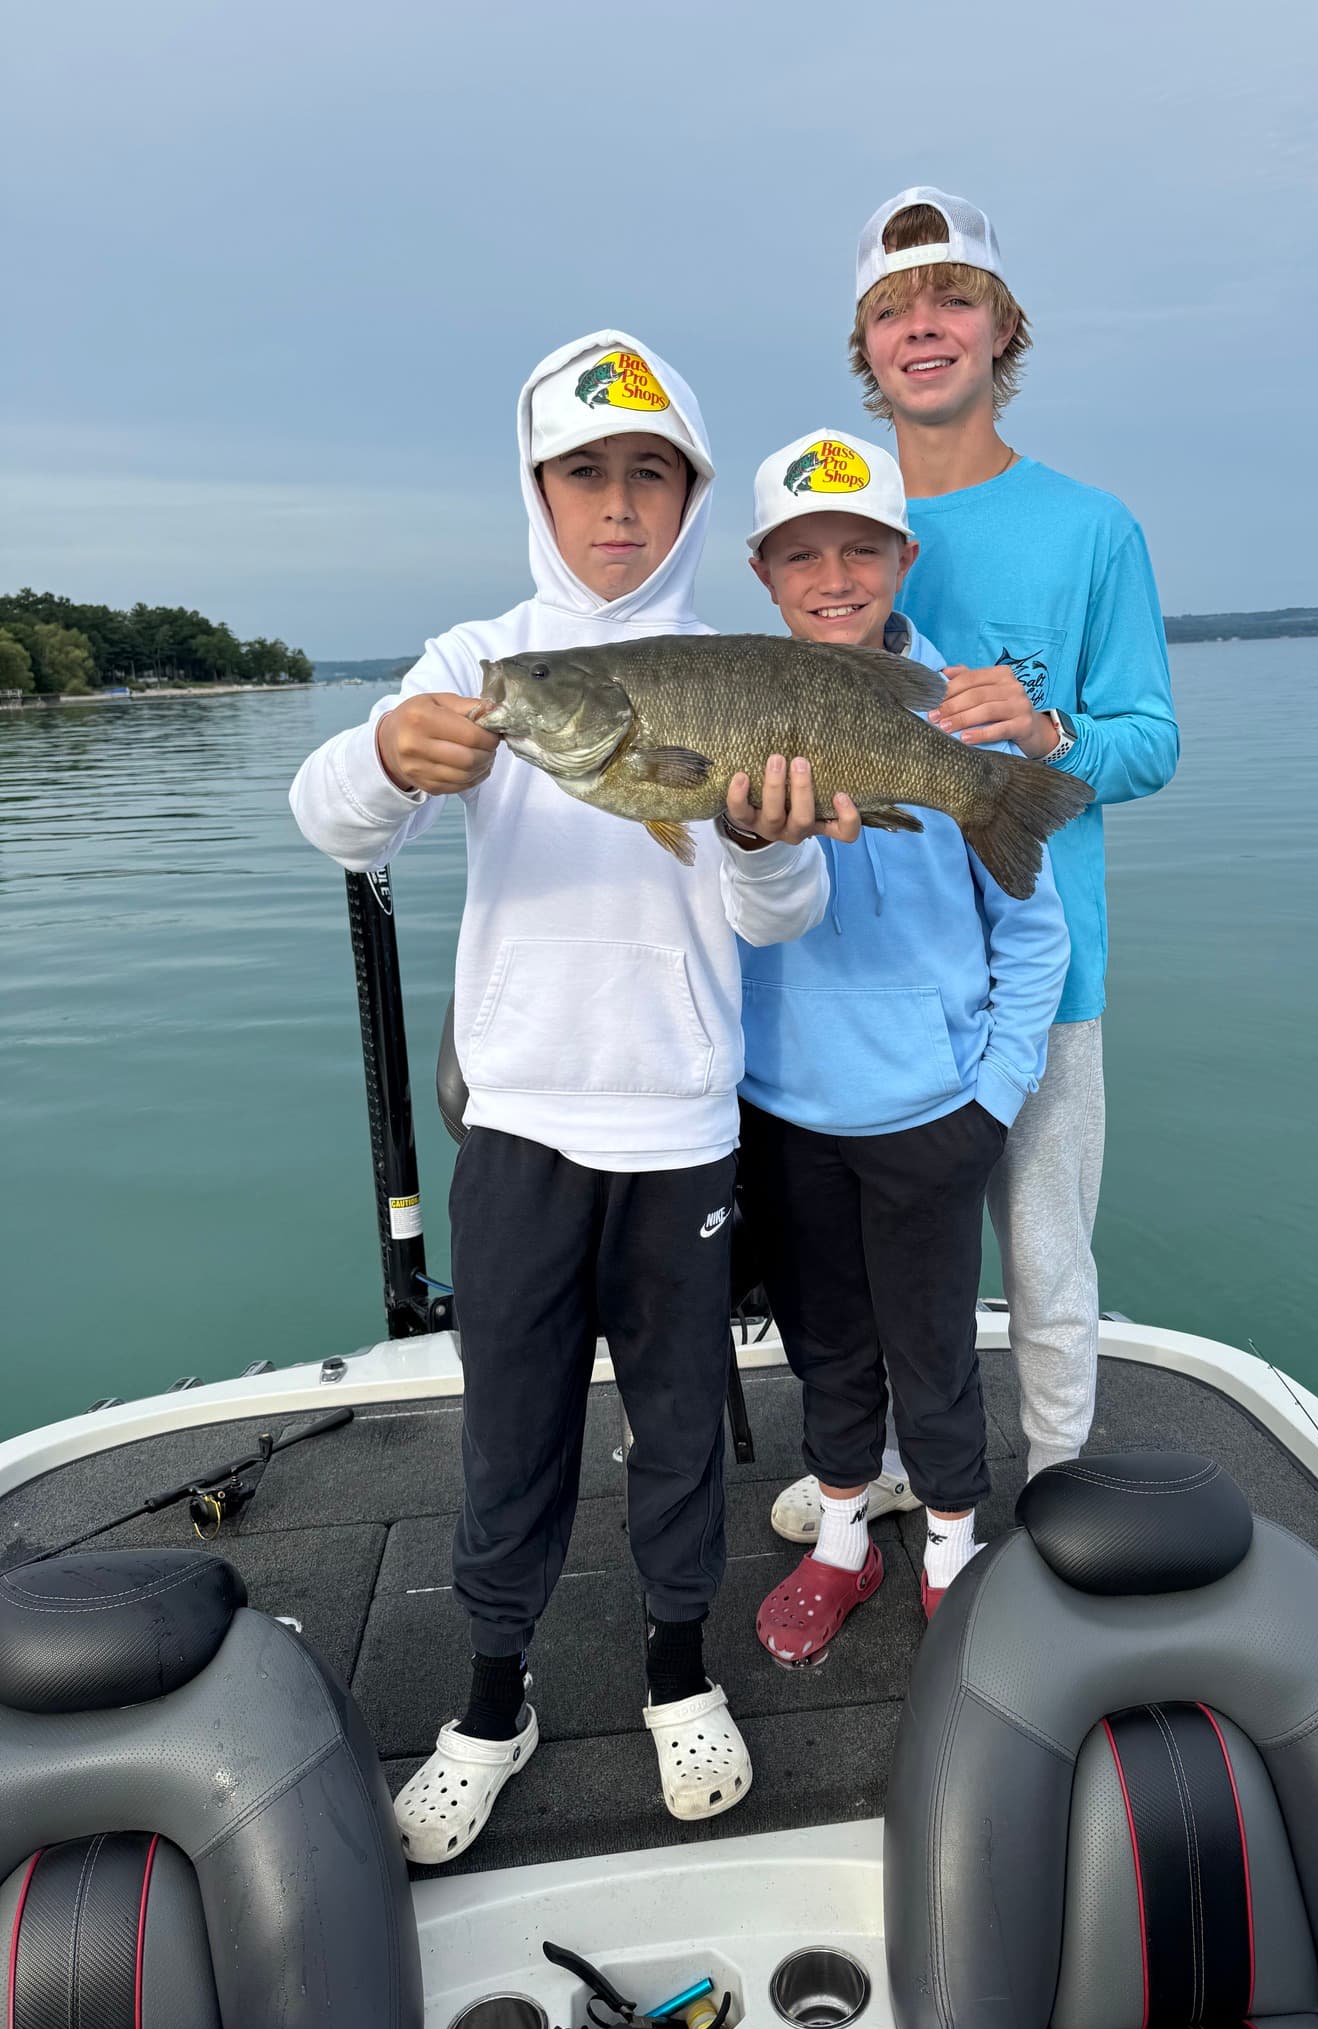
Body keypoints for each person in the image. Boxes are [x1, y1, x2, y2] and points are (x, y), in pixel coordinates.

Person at [290, 331, 859, 1859]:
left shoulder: (745, 668)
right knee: (510, 1432)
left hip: (684, 1131)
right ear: (536, 487)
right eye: (586, 473)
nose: (619, 506)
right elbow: (336, 824)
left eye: (651, 475)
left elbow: (784, 917)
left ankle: (680, 1672)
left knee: (685, 1430)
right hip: (523, 1134)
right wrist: (386, 757)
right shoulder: (482, 660)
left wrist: (764, 842)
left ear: (689, 497)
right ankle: (492, 1699)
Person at [769, 192, 1179, 1547]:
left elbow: (1153, 740)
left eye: (951, 302)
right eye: (894, 308)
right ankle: (881, 1464)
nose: (923, 328)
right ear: (864, 345)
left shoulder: (1092, 528)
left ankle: (1058, 1485)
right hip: (861, 990)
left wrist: (1050, 728)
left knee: (1046, 1254)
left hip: (1040, 966)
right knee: (881, 1272)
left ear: (1004, 329)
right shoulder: (840, 528)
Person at [737, 428, 1070, 1655]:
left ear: (904, 557)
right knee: (824, 1343)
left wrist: (992, 1095)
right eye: (803, 552)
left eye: (862, 548)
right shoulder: (732, 703)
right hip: (784, 1109)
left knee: (935, 1347)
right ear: (764, 572)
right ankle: (839, 1543)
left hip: (937, 1109)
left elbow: (1035, 940)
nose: (835, 574)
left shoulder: (963, 712)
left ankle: (949, 1548)